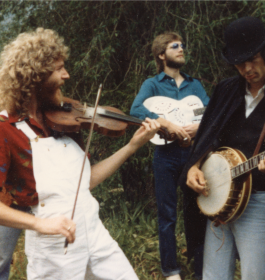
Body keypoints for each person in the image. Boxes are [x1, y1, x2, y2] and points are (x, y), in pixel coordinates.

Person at [0, 28, 160, 280]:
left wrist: (132, 146)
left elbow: (85, 181)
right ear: (36, 76)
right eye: (59, 69)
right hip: (53, 245)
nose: (66, 75)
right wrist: (40, 224)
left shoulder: (62, 120)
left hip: (94, 232)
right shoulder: (7, 130)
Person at [180, 17, 265, 280]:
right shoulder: (227, 90)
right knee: (213, 276)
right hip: (217, 196)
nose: (246, 68)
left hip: (259, 202)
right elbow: (206, 138)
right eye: (239, 62)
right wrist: (193, 167)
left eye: (253, 58)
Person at [130, 32, 209, 280]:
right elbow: (135, 110)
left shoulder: (194, 85)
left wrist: (200, 126)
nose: (181, 49)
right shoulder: (152, 84)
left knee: (197, 211)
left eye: (183, 45)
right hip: (165, 155)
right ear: (161, 54)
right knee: (167, 214)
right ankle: (171, 269)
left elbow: (210, 112)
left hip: (193, 157)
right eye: (175, 46)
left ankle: (201, 269)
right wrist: (164, 122)